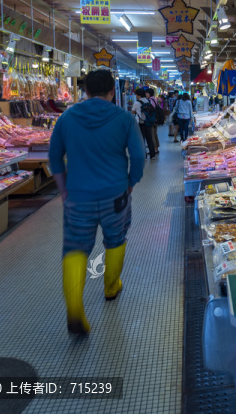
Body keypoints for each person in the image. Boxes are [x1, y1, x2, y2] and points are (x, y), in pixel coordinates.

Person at [48, 69, 145, 334]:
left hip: (78, 196)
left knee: (76, 249)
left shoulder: (66, 118)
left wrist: (63, 190)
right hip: (116, 193)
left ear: (86, 92)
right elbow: (138, 156)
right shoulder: (124, 118)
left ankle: (75, 309)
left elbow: (54, 158)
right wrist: (130, 182)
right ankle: (111, 287)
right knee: (115, 240)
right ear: (113, 92)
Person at [132, 88, 158, 158]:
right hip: (148, 122)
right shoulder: (148, 101)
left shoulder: (137, 103)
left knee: (141, 140)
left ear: (139, 95)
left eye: (136, 95)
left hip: (140, 123)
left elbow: (133, 112)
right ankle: (152, 155)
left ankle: (144, 155)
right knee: (149, 139)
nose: (136, 96)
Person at [146, 87, 162, 152]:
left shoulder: (150, 100)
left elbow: (150, 110)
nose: (146, 95)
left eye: (146, 93)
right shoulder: (155, 100)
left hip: (152, 119)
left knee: (152, 134)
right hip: (156, 118)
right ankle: (156, 148)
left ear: (149, 93)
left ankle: (154, 149)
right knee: (155, 134)